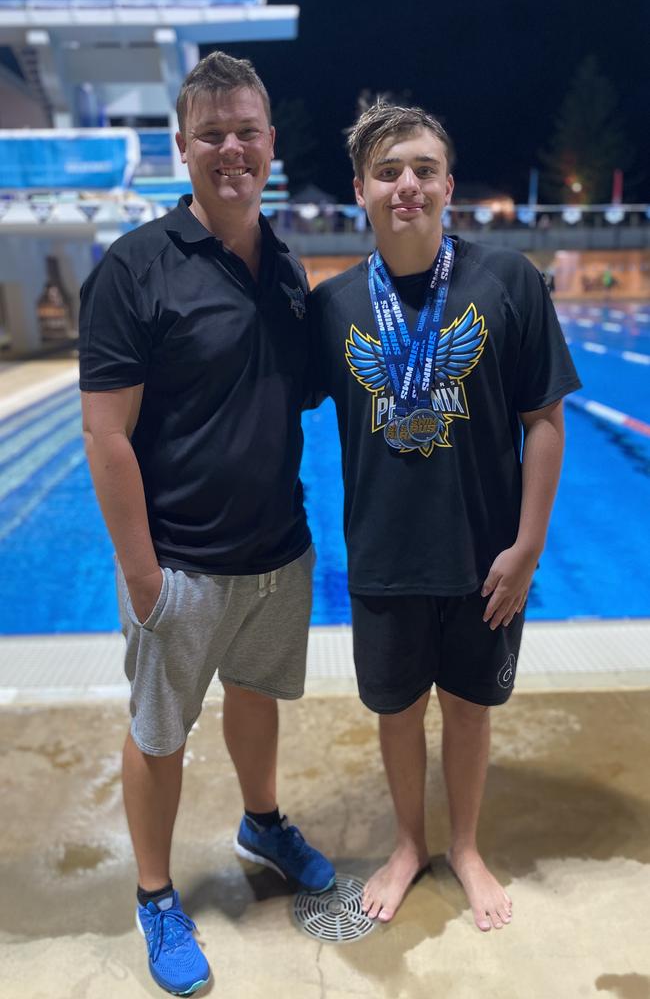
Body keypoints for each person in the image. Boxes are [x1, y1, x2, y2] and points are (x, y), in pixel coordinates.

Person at [79, 51, 334, 997]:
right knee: (159, 733)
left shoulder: (285, 264)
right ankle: (154, 894)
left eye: (248, 130)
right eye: (213, 132)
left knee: (258, 698)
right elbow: (107, 437)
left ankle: (262, 822)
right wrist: (143, 575)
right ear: (183, 145)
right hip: (179, 563)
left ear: (271, 142)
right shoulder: (135, 269)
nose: (232, 148)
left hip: (278, 550)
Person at [309, 102, 581, 932]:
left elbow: (545, 420)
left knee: (468, 707)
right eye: (389, 171)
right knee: (396, 711)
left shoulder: (507, 282)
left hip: (484, 558)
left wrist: (528, 547)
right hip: (384, 556)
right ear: (361, 189)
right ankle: (406, 844)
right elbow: (261, 405)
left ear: (448, 185)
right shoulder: (335, 306)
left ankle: (464, 846)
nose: (407, 186)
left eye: (424, 169)